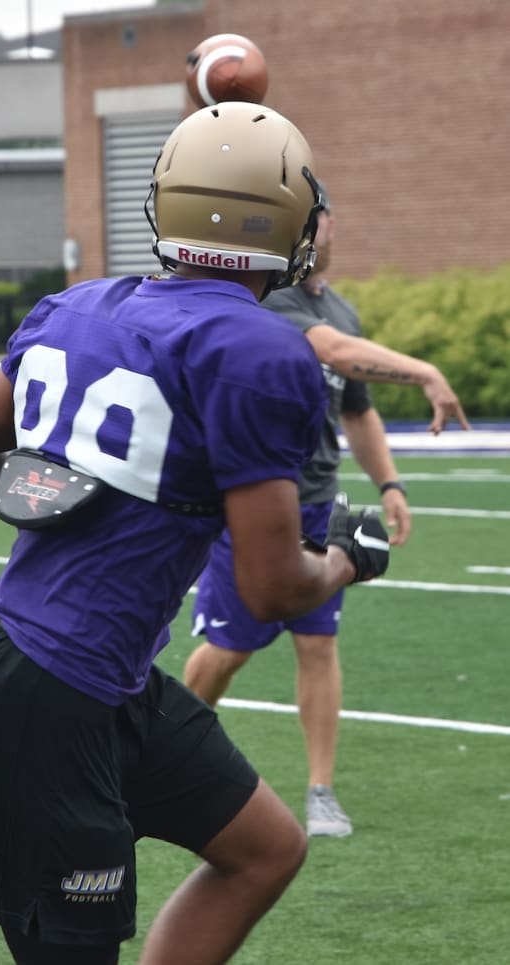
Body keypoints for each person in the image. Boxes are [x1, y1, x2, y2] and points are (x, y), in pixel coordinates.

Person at [0, 102, 390, 965]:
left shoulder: (76, 307)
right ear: (284, 222)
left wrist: (32, 494)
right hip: (48, 698)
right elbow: (272, 588)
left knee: (265, 848)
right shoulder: (261, 351)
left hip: (91, 677)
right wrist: (348, 560)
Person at [184, 181, 470, 838]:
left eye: (320, 223)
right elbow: (331, 353)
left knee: (319, 643)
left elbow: (356, 409)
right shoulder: (269, 296)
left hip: (317, 504)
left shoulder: (342, 309)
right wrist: (424, 371)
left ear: (331, 225)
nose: (314, 236)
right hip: (257, 504)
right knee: (229, 650)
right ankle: (151, 744)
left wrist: (391, 484)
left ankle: (320, 791)